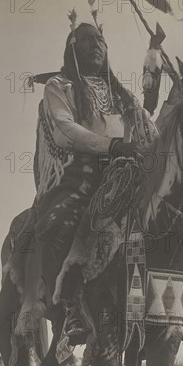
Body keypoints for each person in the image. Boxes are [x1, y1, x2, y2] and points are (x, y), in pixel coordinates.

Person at [30, 22, 156, 344]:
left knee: (175, 215)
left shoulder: (122, 97)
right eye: (87, 40)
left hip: (129, 170)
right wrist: (111, 146)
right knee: (56, 222)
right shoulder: (60, 87)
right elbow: (64, 128)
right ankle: (70, 307)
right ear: (72, 47)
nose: (96, 45)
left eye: (100, 39)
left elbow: (148, 130)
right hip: (81, 173)